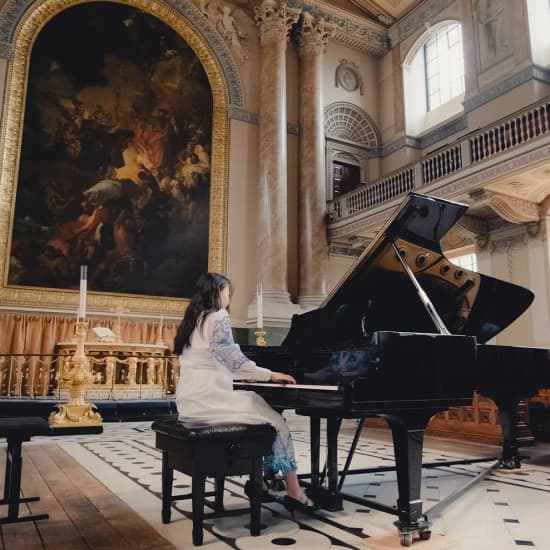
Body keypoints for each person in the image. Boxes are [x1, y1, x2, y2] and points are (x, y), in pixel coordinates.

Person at [173, 272, 315, 511]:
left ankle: (261, 482)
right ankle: (293, 490)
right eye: (228, 292)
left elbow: (220, 362)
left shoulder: (192, 321)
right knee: (276, 421)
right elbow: (235, 363)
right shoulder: (218, 317)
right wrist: (271, 375)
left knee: (258, 409)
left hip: (189, 402)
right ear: (216, 292)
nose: (229, 297)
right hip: (211, 398)